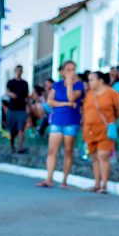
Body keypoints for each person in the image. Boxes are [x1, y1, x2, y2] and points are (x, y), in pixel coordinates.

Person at [37, 60, 84, 189]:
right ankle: (49, 179)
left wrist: (69, 83)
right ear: (63, 71)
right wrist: (66, 104)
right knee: (52, 150)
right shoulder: (57, 85)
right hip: (57, 120)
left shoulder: (79, 85)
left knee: (68, 151)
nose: (71, 72)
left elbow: (71, 98)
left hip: (71, 121)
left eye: (73, 69)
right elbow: (50, 102)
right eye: (68, 70)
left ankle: (64, 181)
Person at [83, 71, 119, 193]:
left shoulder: (112, 93)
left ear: (100, 80)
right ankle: (97, 184)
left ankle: (104, 185)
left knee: (103, 156)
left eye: (92, 80)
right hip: (90, 130)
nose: (89, 82)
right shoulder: (89, 94)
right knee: (94, 158)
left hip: (105, 130)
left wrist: (111, 119)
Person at [4, 64, 29, 152]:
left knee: (21, 128)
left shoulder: (25, 83)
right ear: (15, 71)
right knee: (12, 130)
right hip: (12, 109)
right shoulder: (10, 82)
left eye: (20, 70)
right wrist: (10, 94)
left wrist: (27, 108)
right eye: (18, 70)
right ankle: (12, 146)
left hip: (21, 109)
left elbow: (26, 97)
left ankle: (20, 147)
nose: (19, 72)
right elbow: (7, 92)